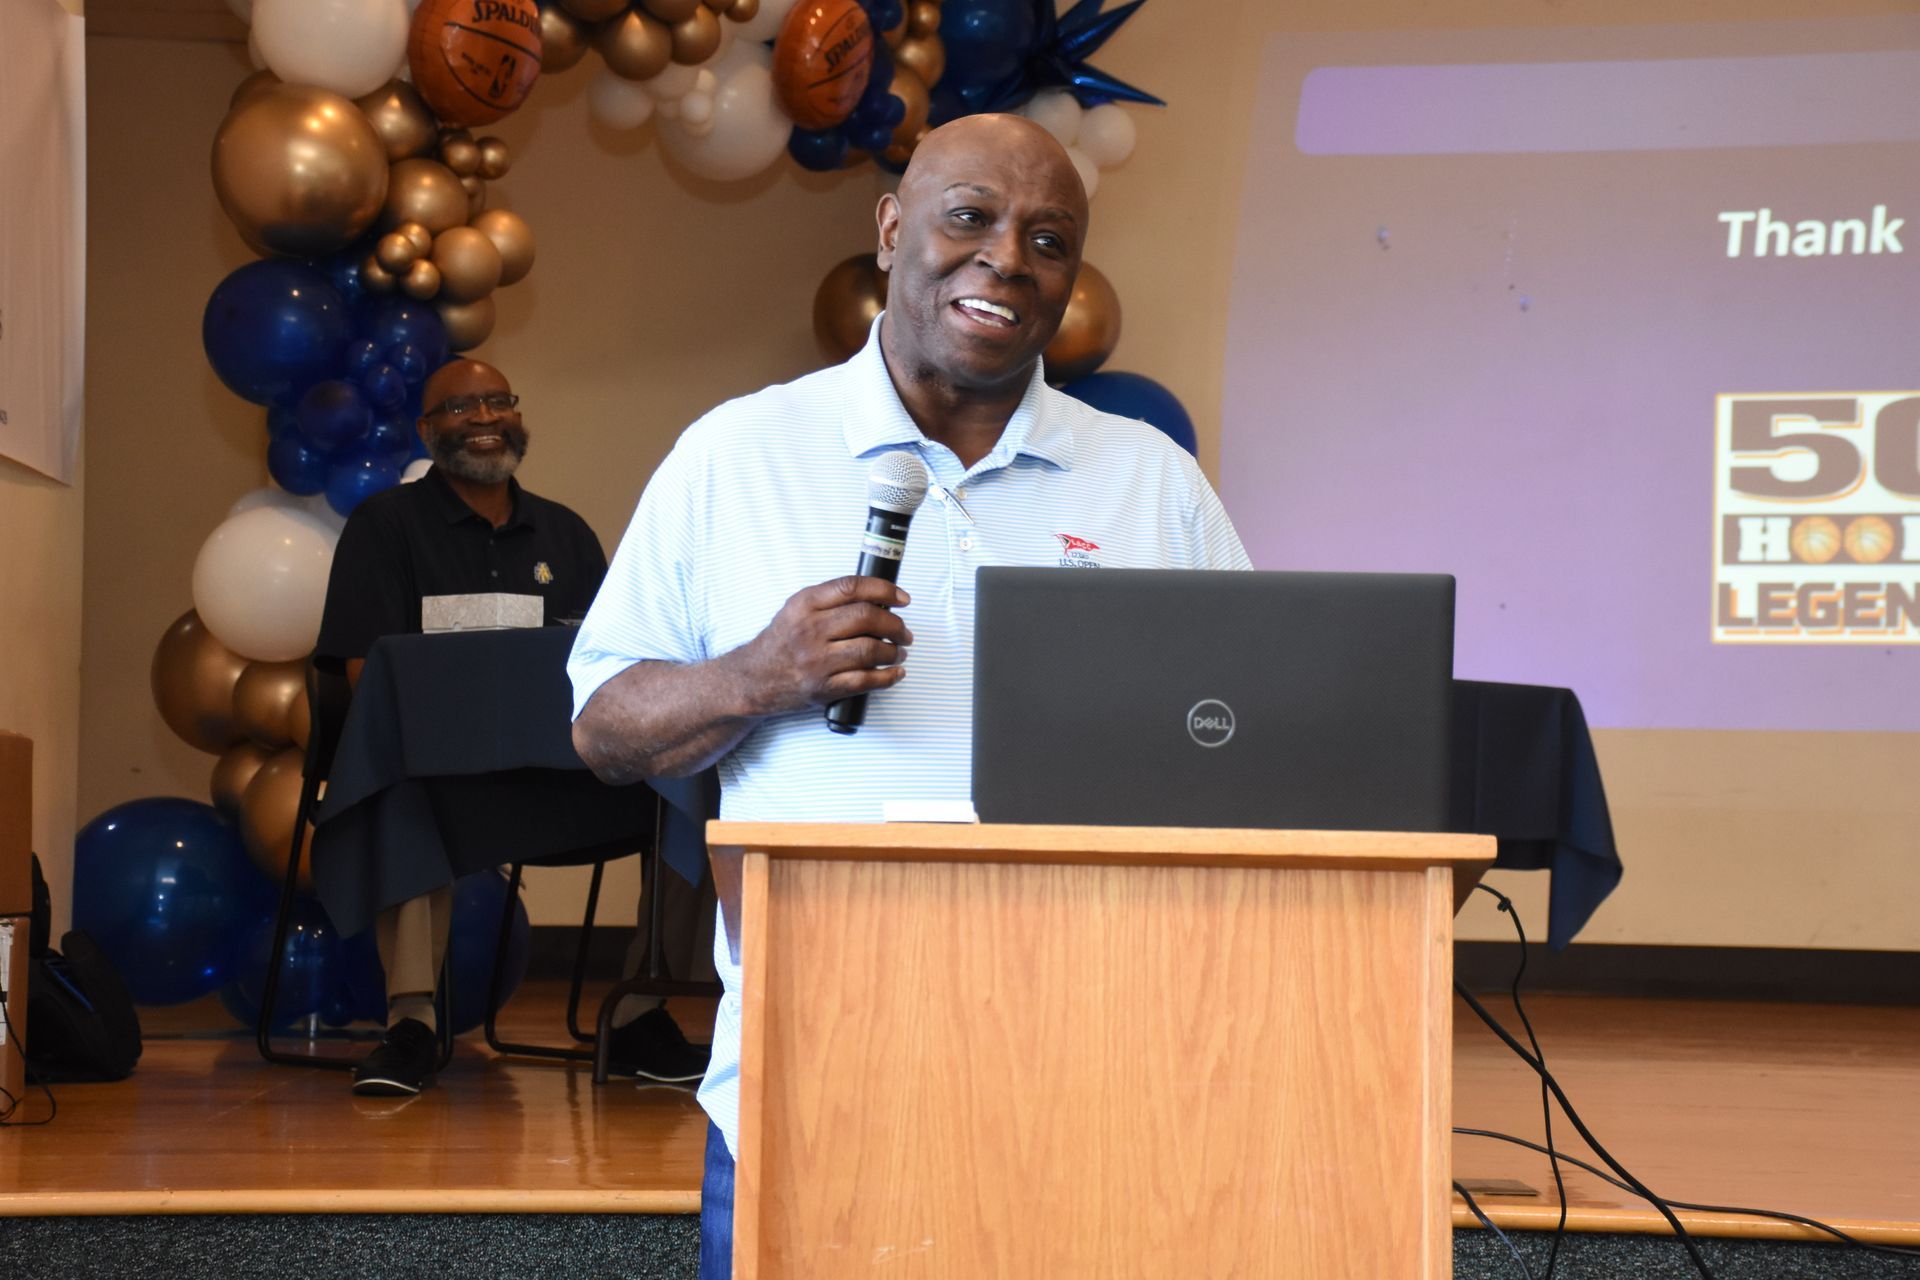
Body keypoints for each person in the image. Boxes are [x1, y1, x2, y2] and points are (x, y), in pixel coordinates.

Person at [567, 114, 1251, 1275]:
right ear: (891, 231)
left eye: (1049, 237)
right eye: (970, 216)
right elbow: (602, 728)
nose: (1007, 260)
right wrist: (760, 674)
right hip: (817, 1083)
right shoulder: (736, 455)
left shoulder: (1149, 482)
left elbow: (1251, 742)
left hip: (1096, 1085)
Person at [314, 358, 711, 1097]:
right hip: (443, 784)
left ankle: (646, 1010)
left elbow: (614, 669)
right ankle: (411, 1024)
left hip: (567, 783)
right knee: (399, 782)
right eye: (463, 407)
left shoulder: (566, 534)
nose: (486, 417)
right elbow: (369, 686)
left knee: (684, 783)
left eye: (499, 401)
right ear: (429, 431)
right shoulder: (385, 527)